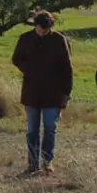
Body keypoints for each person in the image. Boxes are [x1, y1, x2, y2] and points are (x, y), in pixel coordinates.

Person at [11, 11, 73, 174]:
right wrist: (29, 70)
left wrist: (66, 94)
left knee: (50, 128)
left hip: (53, 94)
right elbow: (16, 58)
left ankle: (47, 161)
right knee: (32, 130)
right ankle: (32, 163)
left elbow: (68, 69)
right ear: (35, 25)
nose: (44, 32)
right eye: (41, 29)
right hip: (32, 93)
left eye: (47, 29)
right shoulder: (25, 39)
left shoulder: (59, 40)